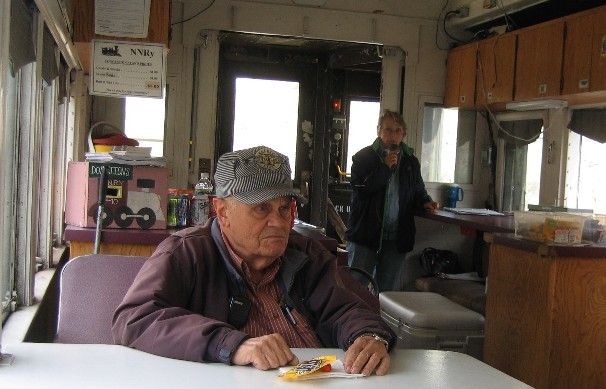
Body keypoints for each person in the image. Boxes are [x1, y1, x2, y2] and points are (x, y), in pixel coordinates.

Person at [113, 145, 395, 376]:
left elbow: (346, 310)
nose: (279, 222)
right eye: (261, 208)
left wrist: (369, 336)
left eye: (284, 208)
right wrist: (231, 344)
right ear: (222, 211)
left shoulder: (307, 254)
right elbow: (135, 319)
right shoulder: (186, 255)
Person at [345, 110, 439, 292]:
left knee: (387, 292)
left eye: (398, 130)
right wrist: (385, 168)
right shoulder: (363, 158)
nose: (393, 135)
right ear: (379, 131)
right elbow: (361, 190)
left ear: (403, 134)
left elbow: (417, 189)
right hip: (366, 234)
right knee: (356, 288)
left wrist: (425, 201)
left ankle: (380, 313)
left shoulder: (411, 161)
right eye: (388, 130)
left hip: (396, 237)